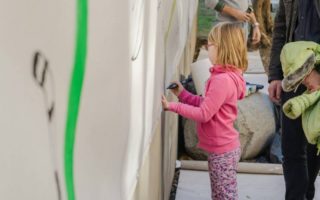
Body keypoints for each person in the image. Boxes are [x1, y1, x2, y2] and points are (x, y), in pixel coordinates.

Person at [162, 22, 247, 200]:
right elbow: (207, 104)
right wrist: (183, 95)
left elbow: (204, 113)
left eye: (211, 44)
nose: (207, 47)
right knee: (222, 194)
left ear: (222, 48)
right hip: (224, 149)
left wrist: (173, 107)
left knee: (224, 195)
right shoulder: (227, 76)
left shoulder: (221, 80)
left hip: (222, 151)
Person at [268, 1, 320, 199]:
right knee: (291, 148)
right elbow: (281, 27)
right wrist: (275, 75)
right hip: (293, 73)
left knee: (314, 145)